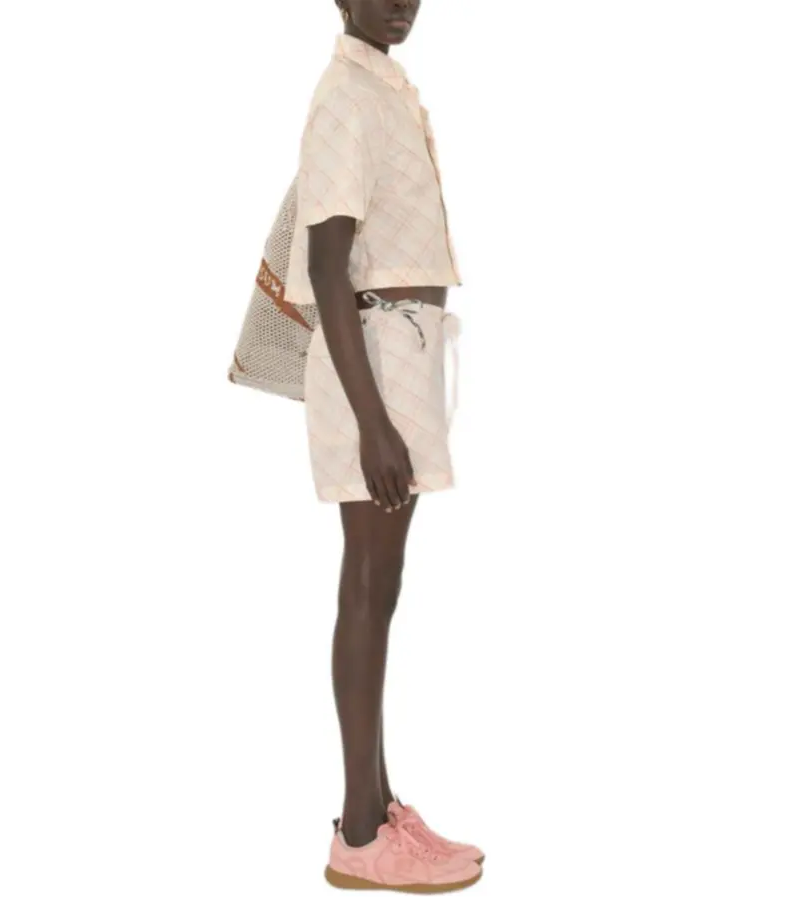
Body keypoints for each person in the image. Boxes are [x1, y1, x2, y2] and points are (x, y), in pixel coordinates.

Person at [287, 2, 484, 890]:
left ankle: (378, 803)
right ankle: (360, 836)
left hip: (397, 350)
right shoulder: (344, 93)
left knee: (380, 583)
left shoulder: (384, 86)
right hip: (367, 357)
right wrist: (372, 421)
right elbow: (327, 264)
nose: (403, 0)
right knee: (367, 585)